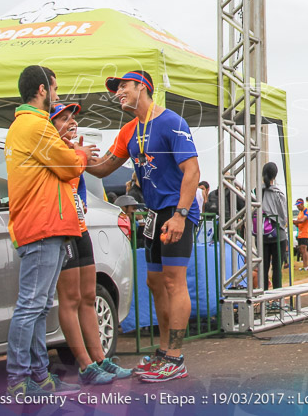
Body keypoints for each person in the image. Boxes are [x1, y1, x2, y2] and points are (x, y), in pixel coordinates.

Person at [86, 70, 200, 383]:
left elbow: (192, 171)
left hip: (177, 210)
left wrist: (180, 214)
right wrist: (76, 157)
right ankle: (164, 353)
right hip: (153, 213)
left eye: (123, 87)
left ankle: (176, 358)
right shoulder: (128, 131)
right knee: (155, 282)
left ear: (142, 87)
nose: (118, 93)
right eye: (116, 89)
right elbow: (104, 167)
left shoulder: (171, 122)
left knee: (174, 282)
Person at [4, 65, 97, 398]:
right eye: (55, 89)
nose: (57, 96)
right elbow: (69, 165)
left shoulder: (27, 126)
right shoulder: (35, 125)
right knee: (32, 305)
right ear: (42, 90)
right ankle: (18, 378)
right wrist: (81, 154)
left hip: (46, 226)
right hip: (42, 226)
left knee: (39, 305)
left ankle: (39, 375)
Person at [50, 102, 131, 385]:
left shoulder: (73, 151)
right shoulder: (51, 151)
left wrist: (81, 201)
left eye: (72, 117)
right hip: (62, 230)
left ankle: (100, 360)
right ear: (49, 124)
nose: (71, 122)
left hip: (80, 227)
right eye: (63, 118)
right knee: (70, 298)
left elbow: (79, 187)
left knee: (88, 296)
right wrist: (78, 156)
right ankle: (84, 365)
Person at [260, 162, 287, 290]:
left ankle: (263, 298)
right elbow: (283, 216)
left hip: (262, 234)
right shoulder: (278, 193)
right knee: (277, 268)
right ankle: (278, 298)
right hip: (278, 235)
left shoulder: (256, 192)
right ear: (275, 176)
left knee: (263, 268)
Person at [294, 198, 308, 270]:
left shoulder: (305, 210)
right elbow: (298, 223)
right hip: (300, 233)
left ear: (302, 204)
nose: (298, 207)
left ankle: (306, 265)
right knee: (301, 249)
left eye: (299, 205)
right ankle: (304, 265)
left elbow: (303, 220)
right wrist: (295, 223)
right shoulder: (299, 212)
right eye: (297, 206)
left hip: (305, 232)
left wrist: (295, 221)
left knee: (304, 248)